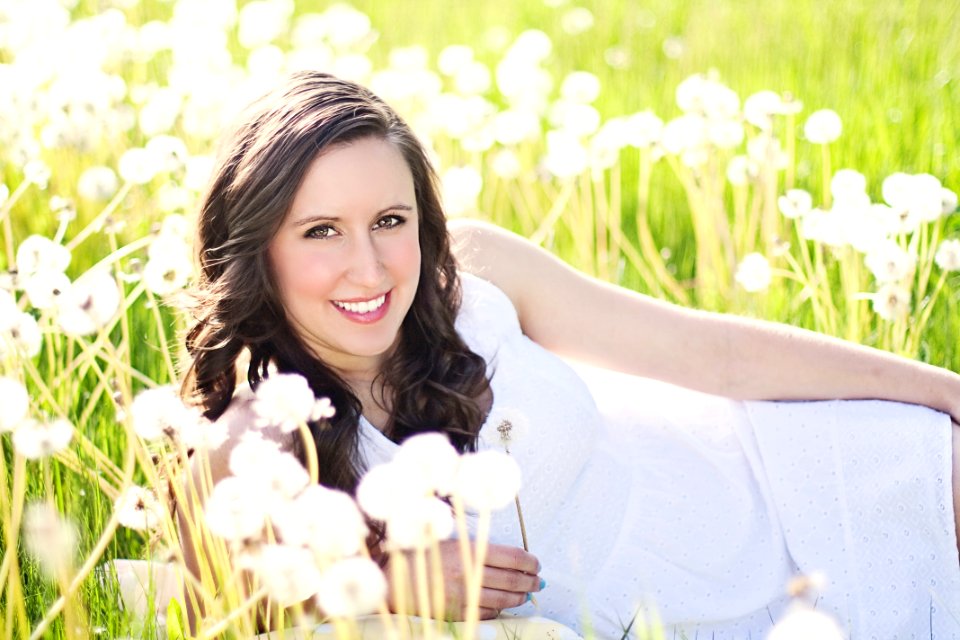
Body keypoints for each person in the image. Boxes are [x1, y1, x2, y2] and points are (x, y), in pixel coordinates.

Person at [180, 70, 960, 638]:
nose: (372, 269)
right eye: (321, 231)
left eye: (391, 219)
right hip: (672, 617)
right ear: (257, 251)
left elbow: (712, 354)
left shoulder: (473, 275)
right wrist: (392, 579)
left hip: (767, 477)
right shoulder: (253, 445)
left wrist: (944, 389)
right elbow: (221, 609)